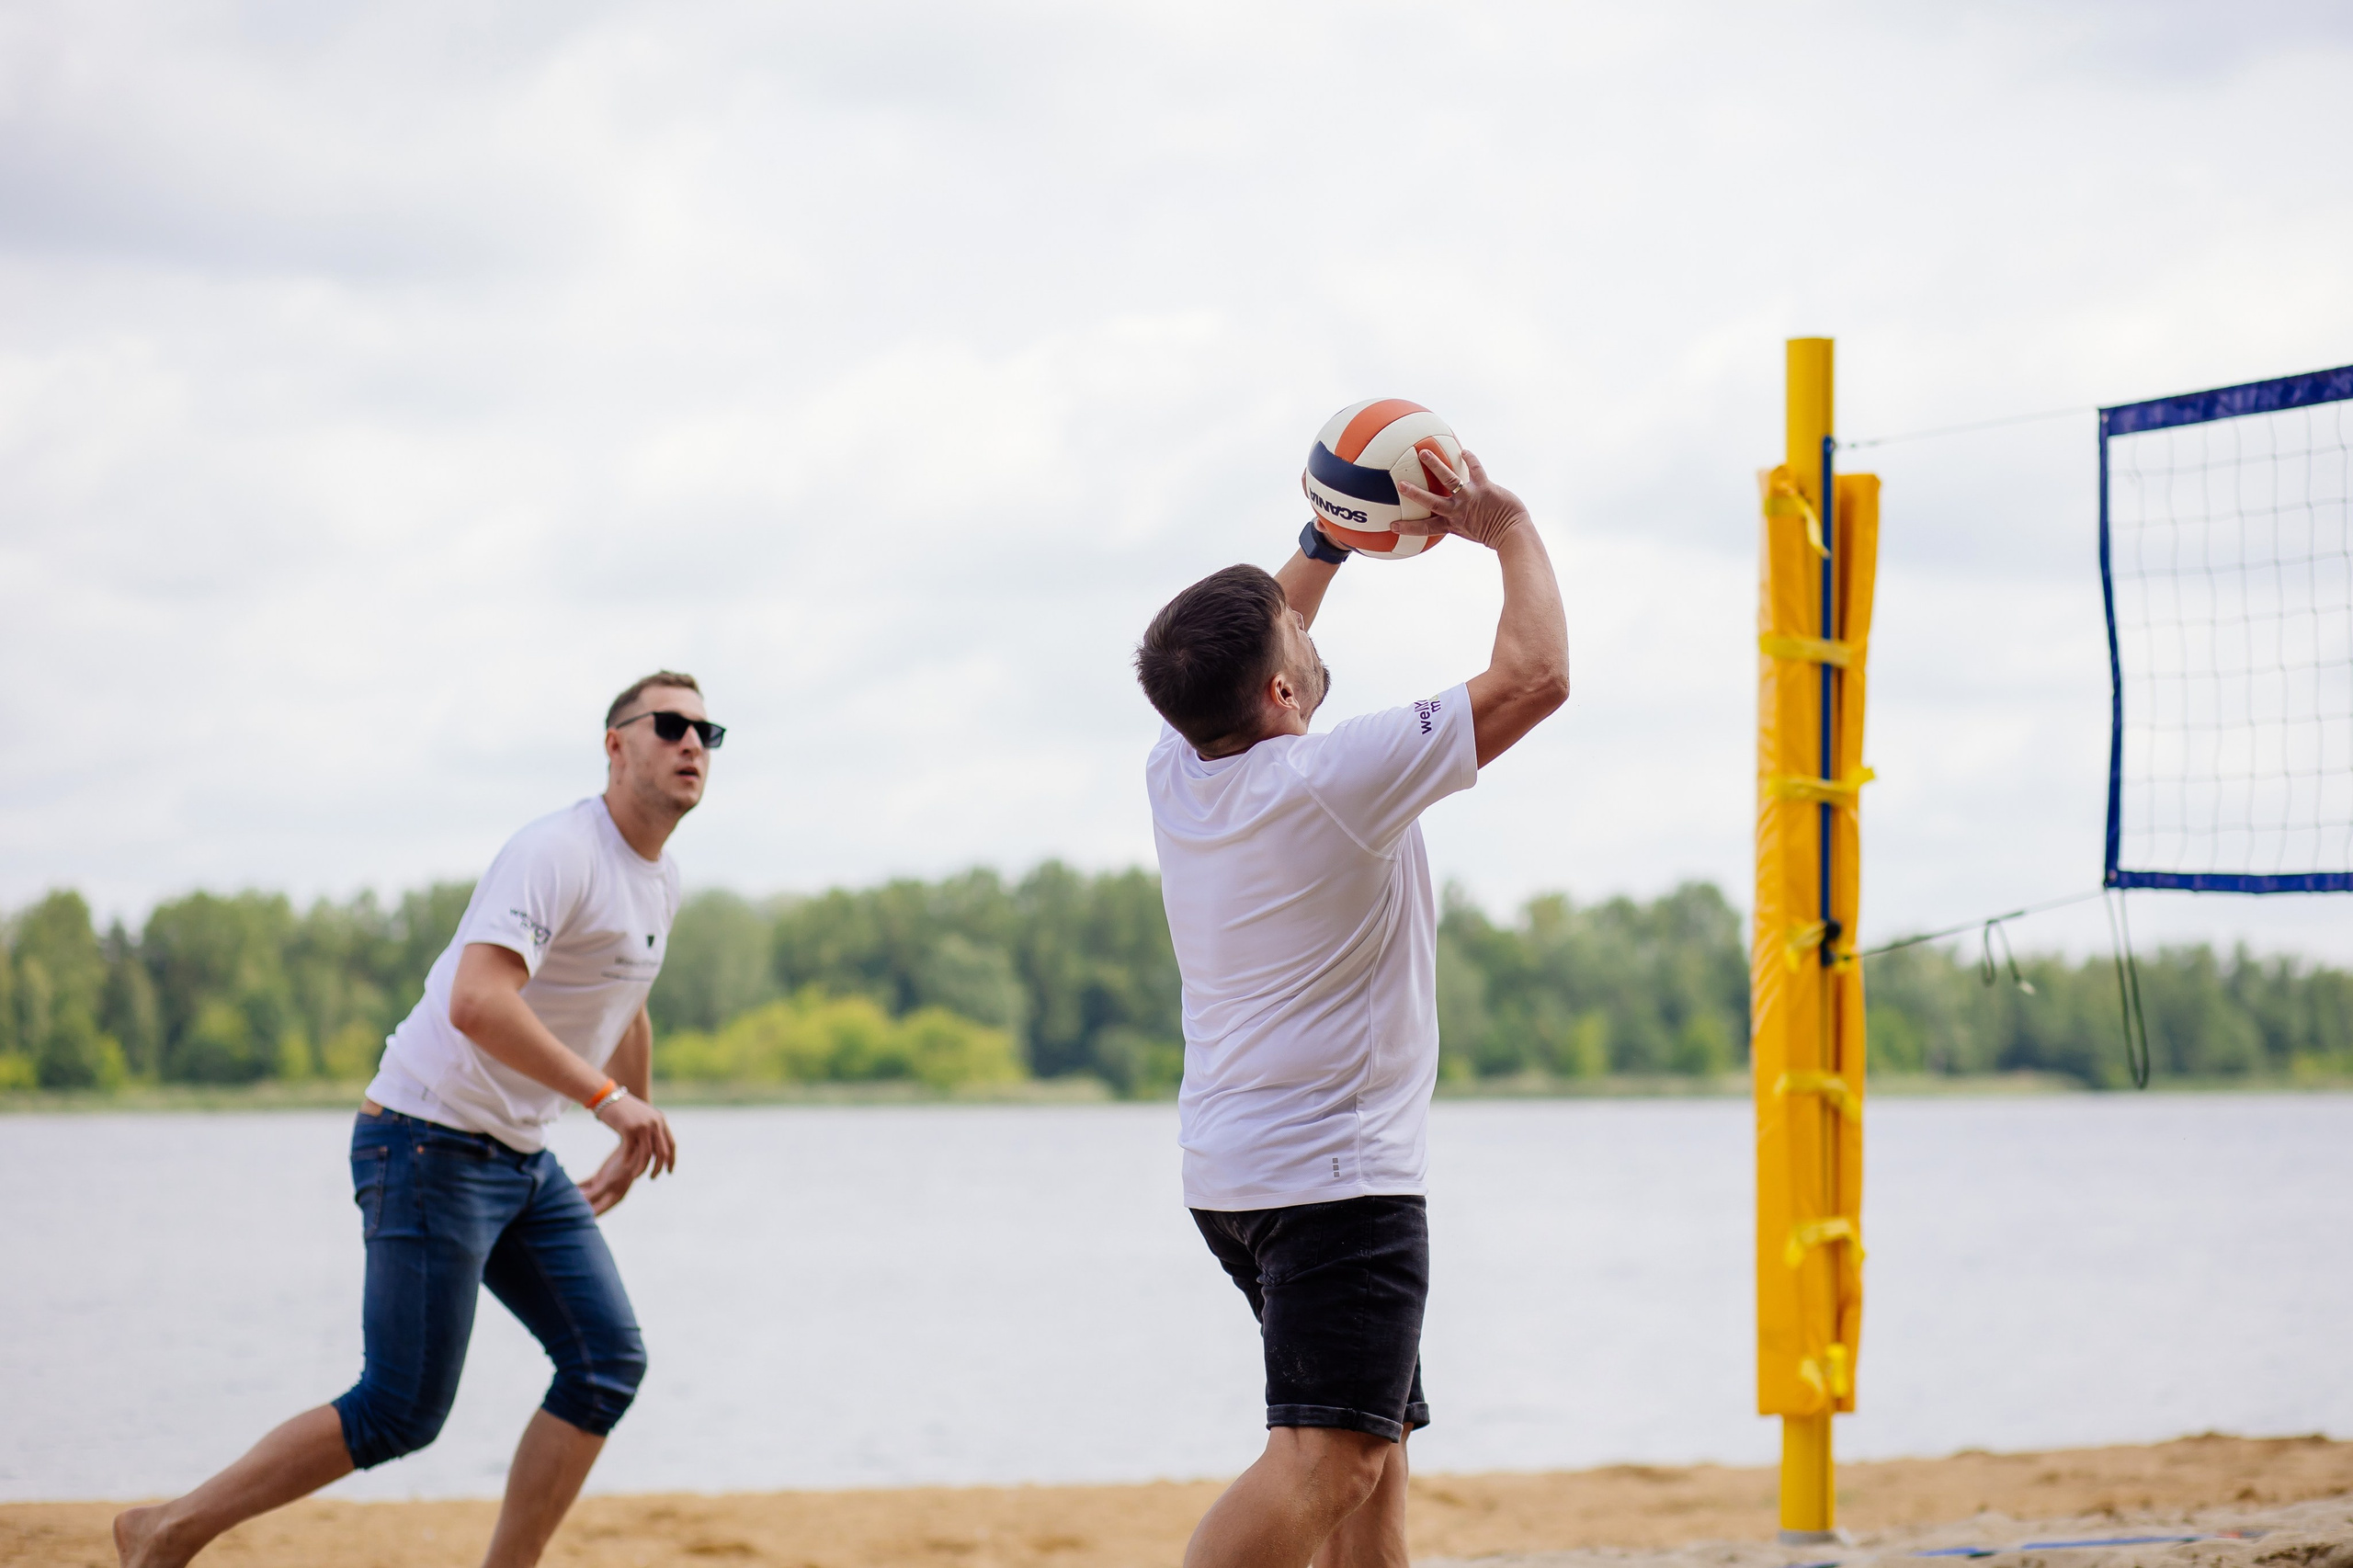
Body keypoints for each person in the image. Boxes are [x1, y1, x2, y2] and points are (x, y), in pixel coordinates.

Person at [114, 672, 720, 1568]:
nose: (692, 743)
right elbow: (478, 1000)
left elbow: (624, 999)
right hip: (427, 1135)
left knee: (603, 1361)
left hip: (515, 1152)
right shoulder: (556, 850)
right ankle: (162, 1529)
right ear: (614, 743)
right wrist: (606, 1098)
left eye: (709, 730)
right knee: (399, 1408)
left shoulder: (658, 875)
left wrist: (631, 1116)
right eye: (669, 724)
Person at [1134, 449, 1568, 1568]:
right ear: (1282, 695)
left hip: (1234, 1178)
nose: (1309, 637)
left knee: (1375, 1465)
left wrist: (1330, 536)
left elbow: (1255, 637)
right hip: (1336, 1184)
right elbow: (1535, 675)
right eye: (1299, 647)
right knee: (1328, 1463)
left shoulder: (1179, 766)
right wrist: (1507, 524)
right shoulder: (1331, 779)